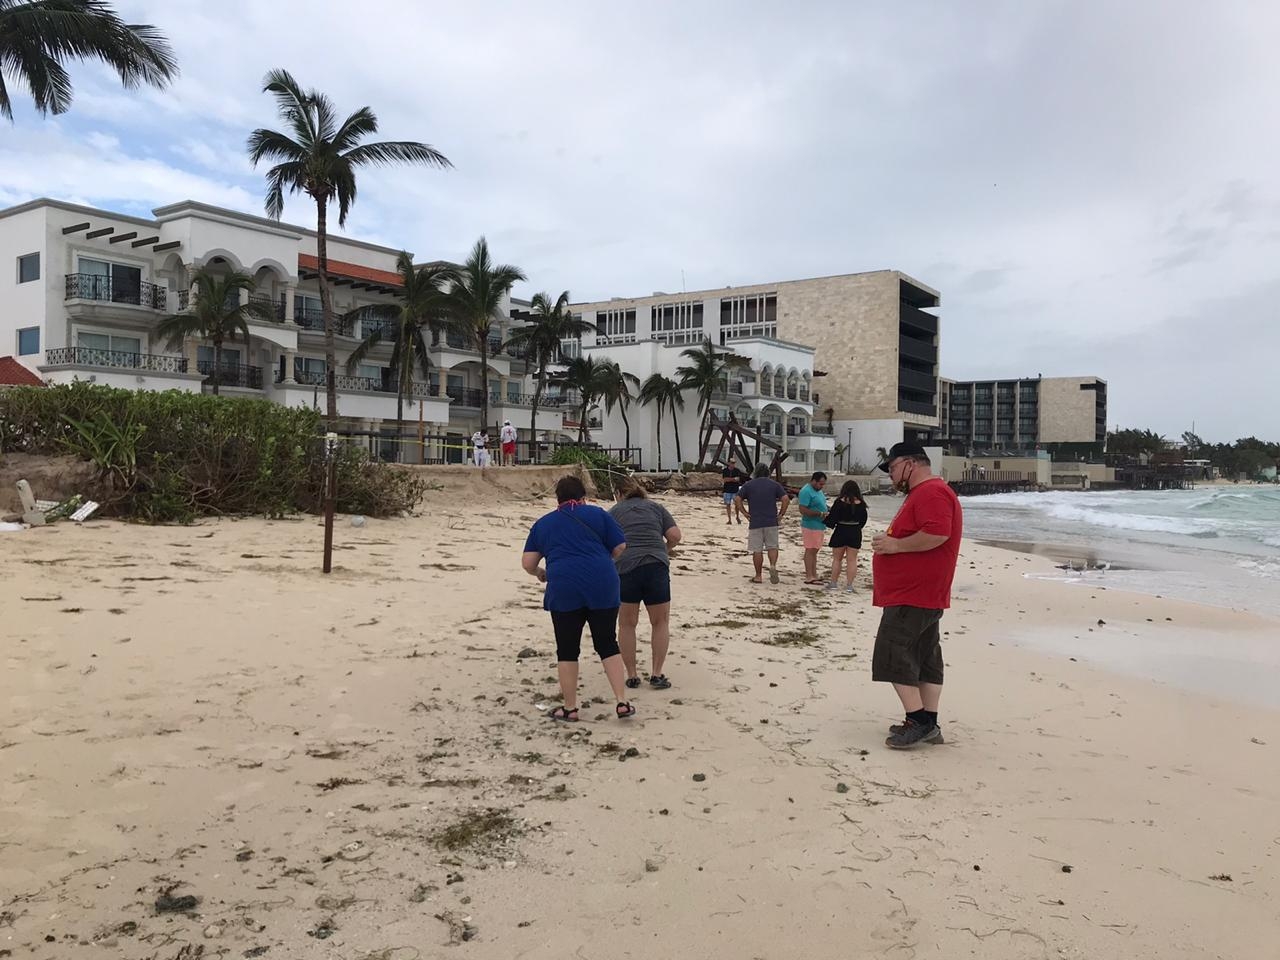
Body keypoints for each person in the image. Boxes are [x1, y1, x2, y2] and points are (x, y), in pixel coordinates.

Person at [870, 441, 963, 749]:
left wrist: (895, 545)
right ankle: (929, 722)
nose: (891, 476)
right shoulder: (927, 492)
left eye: (893, 468)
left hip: (914, 592)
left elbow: (938, 532)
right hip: (921, 591)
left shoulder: (931, 492)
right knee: (925, 655)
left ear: (911, 464)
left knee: (892, 651)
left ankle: (918, 720)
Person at [521, 475, 636, 721]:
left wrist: (540, 573)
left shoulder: (544, 523)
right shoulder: (599, 515)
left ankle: (571, 707)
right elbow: (620, 548)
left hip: (564, 586)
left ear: (558, 499)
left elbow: (528, 562)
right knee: (607, 642)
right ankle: (622, 701)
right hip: (603, 584)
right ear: (583, 498)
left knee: (567, 648)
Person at [609, 476, 682, 690]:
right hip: (655, 567)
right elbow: (675, 535)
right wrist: (665, 550)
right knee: (660, 622)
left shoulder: (614, 511)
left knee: (626, 624)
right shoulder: (656, 508)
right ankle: (657, 674)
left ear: (620, 494)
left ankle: (632, 675)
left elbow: (606, 542)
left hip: (626, 569)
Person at [734, 463, 791, 584]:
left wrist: (744, 513)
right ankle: (773, 566)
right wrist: (781, 514)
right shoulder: (774, 485)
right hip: (771, 521)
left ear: (755, 472)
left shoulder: (748, 485)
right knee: (772, 546)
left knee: (757, 550)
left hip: (755, 521)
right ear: (768, 473)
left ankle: (758, 576)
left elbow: (737, 499)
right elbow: (785, 499)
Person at [824, 479, 868, 593]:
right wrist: (857, 528)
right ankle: (849, 585)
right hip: (855, 531)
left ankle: (833, 583)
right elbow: (863, 520)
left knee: (837, 559)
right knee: (852, 560)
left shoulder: (839, 502)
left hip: (841, 530)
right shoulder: (862, 504)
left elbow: (832, 519)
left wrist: (824, 520)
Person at [796, 471, 829, 585]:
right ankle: (809, 576)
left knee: (815, 550)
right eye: (820, 484)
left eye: (823, 484)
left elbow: (821, 504)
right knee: (810, 550)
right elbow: (802, 510)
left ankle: (814, 574)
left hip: (819, 525)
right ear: (814, 481)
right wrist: (819, 514)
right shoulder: (806, 491)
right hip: (810, 525)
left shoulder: (818, 491)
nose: (821, 486)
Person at [720, 457, 748, 525]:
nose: (733, 464)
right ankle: (729, 519)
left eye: (734, 463)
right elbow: (725, 480)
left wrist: (730, 479)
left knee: (737, 505)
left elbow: (737, 479)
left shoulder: (737, 470)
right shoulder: (725, 470)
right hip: (727, 490)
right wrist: (733, 479)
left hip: (734, 490)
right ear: (729, 463)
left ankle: (737, 517)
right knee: (728, 504)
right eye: (732, 463)